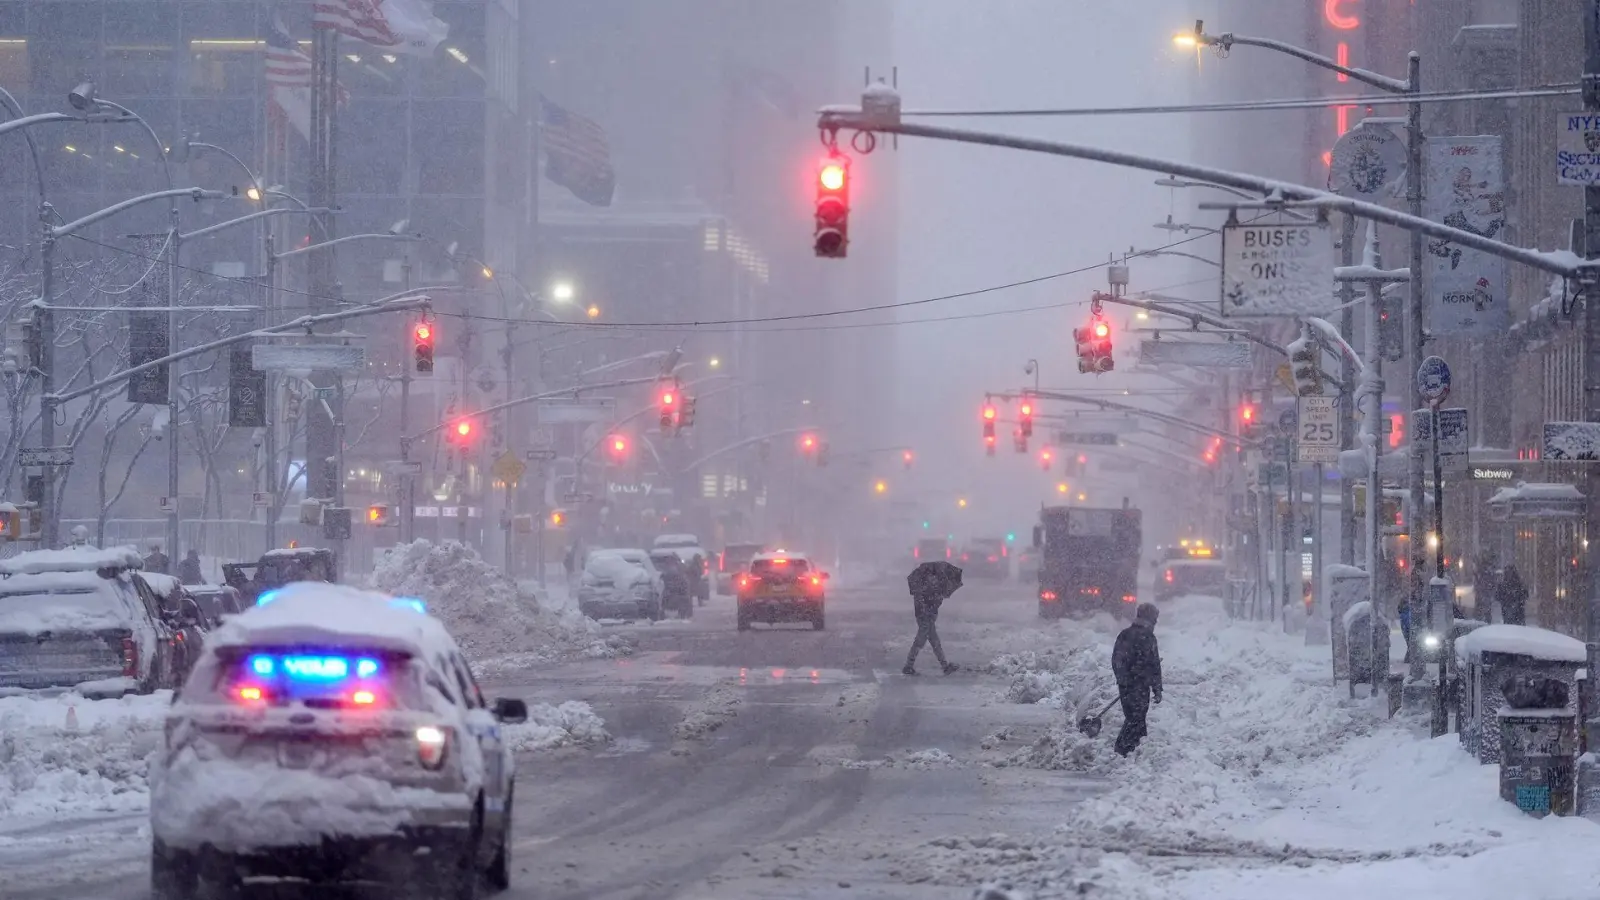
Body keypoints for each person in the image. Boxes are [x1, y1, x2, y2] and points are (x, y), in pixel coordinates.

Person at [1111, 602, 1163, 756]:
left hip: (1129, 686)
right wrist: (1156, 688)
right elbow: (1154, 665)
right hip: (1139, 686)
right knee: (1136, 718)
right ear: (1150, 618)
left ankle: (1132, 749)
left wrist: (1123, 679)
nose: (1156, 622)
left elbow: (1116, 661)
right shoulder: (1148, 637)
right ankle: (1123, 749)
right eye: (1155, 618)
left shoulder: (1125, 635)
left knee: (1135, 717)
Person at [903, 585, 957, 676]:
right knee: (921, 642)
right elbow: (927, 604)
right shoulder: (925, 587)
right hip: (925, 618)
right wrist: (937, 599)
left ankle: (945, 666)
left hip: (927, 618)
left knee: (934, 642)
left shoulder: (925, 585)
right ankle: (908, 665)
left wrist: (938, 597)